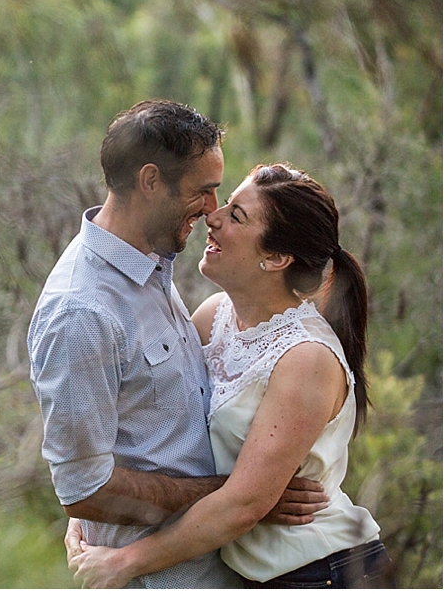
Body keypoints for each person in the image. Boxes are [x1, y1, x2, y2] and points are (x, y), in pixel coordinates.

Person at [27, 100, 328, 589]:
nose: (213, 210)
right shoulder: (81, 311)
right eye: (203, 191)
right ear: (150, 181)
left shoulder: (151, 266)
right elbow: (85, 490)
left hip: (220, 570)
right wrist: (237, 496)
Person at [66, 163, 394, 588]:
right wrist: (92, 513)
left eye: (236, 215)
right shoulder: (213, 316)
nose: (212, 216)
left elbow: (243, 504)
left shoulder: (306, 358)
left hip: (322, 572)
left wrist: (124, 561)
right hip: (251, 574)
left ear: (275, 258)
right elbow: (149, 423)